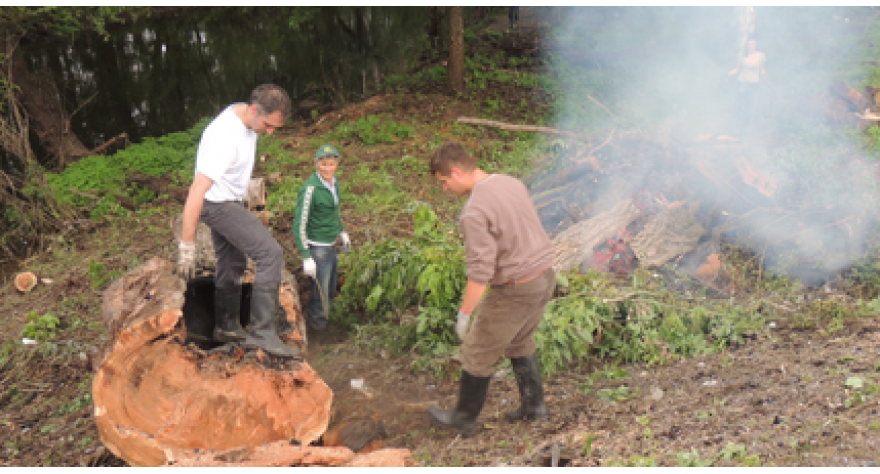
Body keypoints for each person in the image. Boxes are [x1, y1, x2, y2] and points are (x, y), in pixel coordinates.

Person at [426, 142, 556, 438]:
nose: (445, 189)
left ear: (457, 172)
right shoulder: (511, 182)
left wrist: (465, 313)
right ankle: (534, 408)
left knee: (476, 350)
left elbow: (481, 272)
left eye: (444, 182)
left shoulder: (474, 211)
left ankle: (463, 418)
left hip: (515, 288)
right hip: (544, 278)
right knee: (521, 340)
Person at [177, 84, 298, 358]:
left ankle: (227, 326)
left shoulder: (244, 114)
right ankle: (263, 334)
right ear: (255, 110)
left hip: (228, 200)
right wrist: (187, 246)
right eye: (268, 125)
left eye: (275, 128)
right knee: (270, 254)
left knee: (233, 263)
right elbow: (196, 191)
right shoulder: (224, 138)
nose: (269, 132)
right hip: (216, 204)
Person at [292, 144, 350, 332]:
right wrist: (306, 256)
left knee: (331, 289)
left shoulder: (334, 183)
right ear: (316, 164)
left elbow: (333, 211)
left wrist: (342, 231)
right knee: (321, 294)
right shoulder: (310, 189)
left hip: (331, 246)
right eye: (323, 164)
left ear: (337, 165)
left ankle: (325, 323)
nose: (327, 168)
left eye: (331, 164)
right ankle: (318, 332)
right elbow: (298, 225)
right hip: (318, 249)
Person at [728, 38, 766, 135]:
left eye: (753, 44)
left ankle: (745, 127)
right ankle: (738, 126)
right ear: (747, 45)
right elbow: (737, 69)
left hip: (754, 83)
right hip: (742, 82)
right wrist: (728, 74)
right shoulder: (742, 55)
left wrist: (765, 74)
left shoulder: (760, 55)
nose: (751, 46)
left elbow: (762, 69)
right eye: (749, 44)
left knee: (749, 105)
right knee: (740, 104)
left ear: (756, 45)